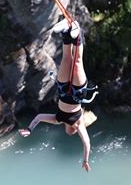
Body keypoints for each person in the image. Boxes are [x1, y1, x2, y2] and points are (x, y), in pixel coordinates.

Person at [18, 19, 98, 172]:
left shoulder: (58, 120)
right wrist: (86, 160)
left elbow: (39, 117)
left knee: (66, 58)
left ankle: (67, 32)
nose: (71, 133)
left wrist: (29, 129)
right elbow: (87, 143)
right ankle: (78, 33)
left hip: (63, 90)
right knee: (77, 62)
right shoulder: (78, 123)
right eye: (74, 133)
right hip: (77, 93)